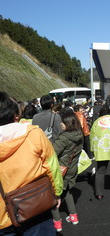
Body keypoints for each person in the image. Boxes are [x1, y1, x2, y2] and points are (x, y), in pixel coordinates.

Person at [0, 92, 63, 235]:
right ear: (15, 115)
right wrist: (57, 193)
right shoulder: (33, 134)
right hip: (34, 207)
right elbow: (51, 166)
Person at [52, 112, 83, 232]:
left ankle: (57, 222)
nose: (60, 124)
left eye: (62, 122)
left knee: (55, 194)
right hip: (72, 168)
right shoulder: (79, 135)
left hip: (60, 169)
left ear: (67, 123)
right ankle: (73, 216)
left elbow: (53, 153)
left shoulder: (64, 138)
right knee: (67, 191)